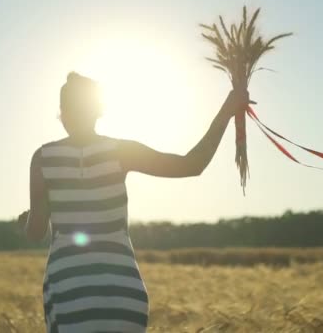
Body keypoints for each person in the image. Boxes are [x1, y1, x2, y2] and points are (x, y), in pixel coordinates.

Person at [19, 71, 250, 332]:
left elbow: (36, 232)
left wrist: (27, 221)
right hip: (123, 292)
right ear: (97, 111)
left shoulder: (43, 157)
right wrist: (227, 111)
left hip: (68, 291)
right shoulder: (120, 151)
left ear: (62, 113)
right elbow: (192, 164)